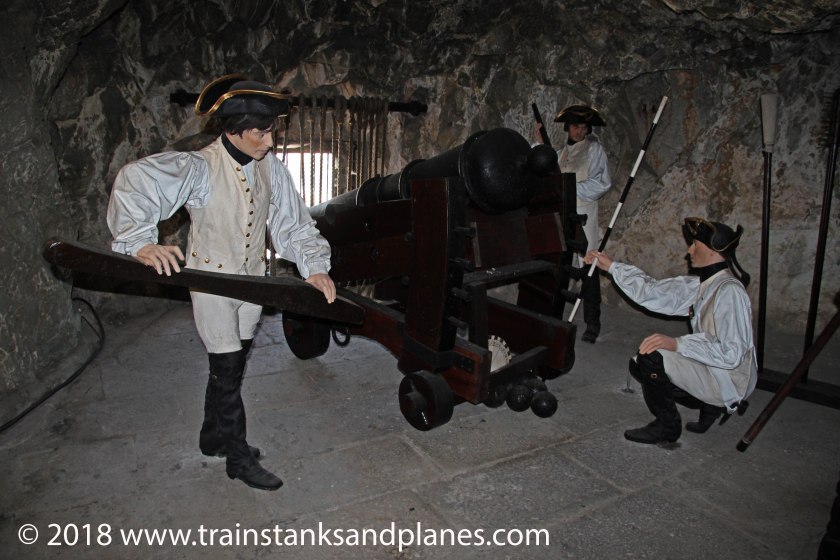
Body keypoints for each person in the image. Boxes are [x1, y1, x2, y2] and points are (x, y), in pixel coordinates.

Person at [107, 74, 336, 490]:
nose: (269, 141)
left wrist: (314, 266)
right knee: (227, 370)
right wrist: (140, 242)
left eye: (271, 131)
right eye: (261, 133)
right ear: (234, 130)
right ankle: (237, 457)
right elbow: (135, 180)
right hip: (212, 285)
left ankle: (212, 436)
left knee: (231, 365)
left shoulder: (271, 168)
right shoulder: (200, 168)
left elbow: (293, 223)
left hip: (252, 285)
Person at [584, 217, 757, 445]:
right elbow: (655, 292)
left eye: (695, 245)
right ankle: (710, 406)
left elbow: (732, 353)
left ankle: (667, 426)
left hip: (729, 380)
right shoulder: (706, 284)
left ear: (713, 252)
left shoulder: (730, 292)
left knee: (651, 360)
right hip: (713, 367)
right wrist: (612, 267)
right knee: (640, 364)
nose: (689, 250)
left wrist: (678, 344)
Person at [536, 104, 611, 343]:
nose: (581, 131)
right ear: (568, 127)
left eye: (584, 127)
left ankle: (593, 323)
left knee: (589, 267)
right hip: (561, 216)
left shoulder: (594, 150)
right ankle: (549, 315)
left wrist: (569, 189)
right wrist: (540, 144)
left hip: (583, 216)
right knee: (556, 264)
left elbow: (601, 183)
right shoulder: (559, 153)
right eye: (576, 126)